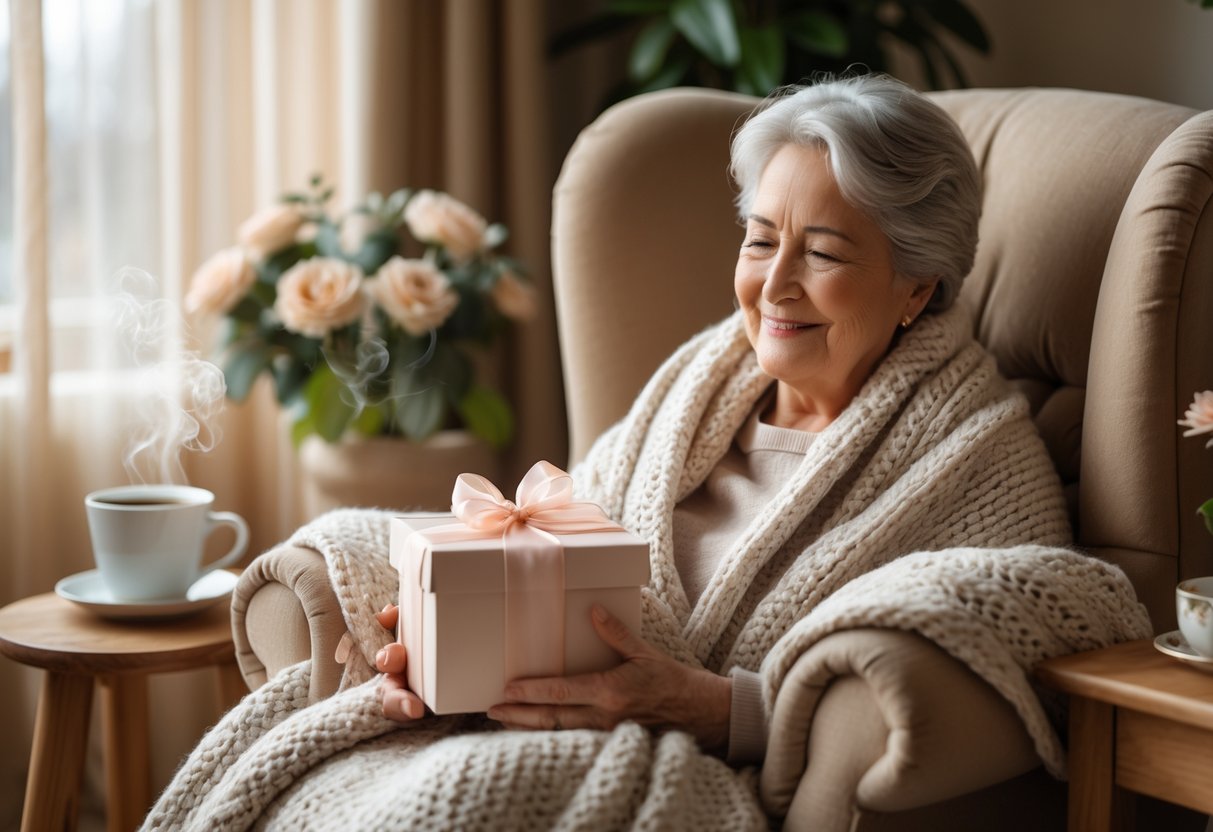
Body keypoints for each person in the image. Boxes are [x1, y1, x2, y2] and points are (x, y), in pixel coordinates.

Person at [146, 74, 1149, 830]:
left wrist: (721, 708)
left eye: (827, 252)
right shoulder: (697, 380)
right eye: (761, 239)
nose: (776, 283)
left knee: (443, 803)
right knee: (328, 769)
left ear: (916, 286)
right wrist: (445, 616)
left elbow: (1042, 608)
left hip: (692, 768)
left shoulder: (978, 455)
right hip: (520, 719)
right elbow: (561, 530)